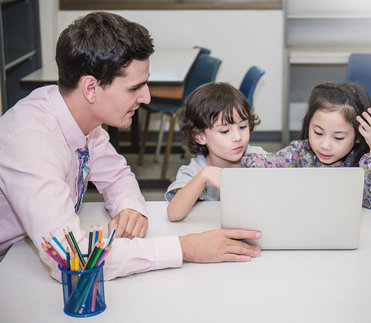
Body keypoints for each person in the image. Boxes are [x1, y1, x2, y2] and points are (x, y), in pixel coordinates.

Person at [0, 12, 261, 282]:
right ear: (91, 87)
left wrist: (129, 207)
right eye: (134, 88)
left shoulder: (80, 118)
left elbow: (117, 175)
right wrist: (184, 248)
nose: (146, 97)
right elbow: (73, 260)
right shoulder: (32, 144)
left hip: (23, 253)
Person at [242, 82, 371, 208]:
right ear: (308, 124)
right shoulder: (299, 152)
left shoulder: (364, 163)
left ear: (359, 136)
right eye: (318, 133)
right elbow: (263, 165)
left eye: (338, 138)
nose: (325, 145)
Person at [165, 82, 266, 222]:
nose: (238, 137)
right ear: (200, 136)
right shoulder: (195, 170)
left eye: (243, 126)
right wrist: (203, 176)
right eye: (225, 131)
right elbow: (174, 214)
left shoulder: (259, 158)